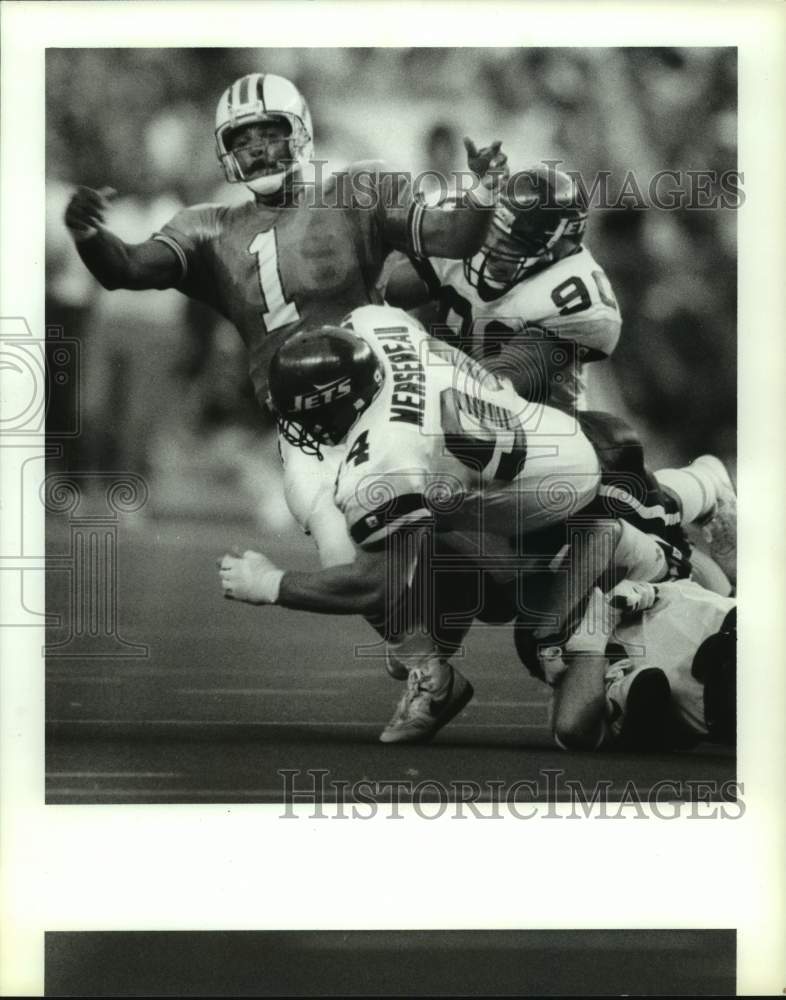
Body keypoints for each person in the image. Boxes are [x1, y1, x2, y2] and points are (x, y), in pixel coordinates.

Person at [218, 304, 734, 743]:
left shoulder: (387, 457)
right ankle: (432, 672)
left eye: (305, 415)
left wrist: (272, 585)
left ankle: (703, 488)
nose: (295, 430)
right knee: (519, 600)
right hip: (516, 481)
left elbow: (375, 585)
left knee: (533, 620)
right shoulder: (374, 325)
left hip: (570, 494)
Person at [63, 71, 507, 559]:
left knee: (439, 525)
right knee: (350, 562)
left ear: (300, 132)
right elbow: (125, 268)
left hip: (384, 392)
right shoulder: (209, 227)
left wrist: (483, 193)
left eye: (269, 134)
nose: (256, 149)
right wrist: (89, 234)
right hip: (303, 424)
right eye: (242, 139)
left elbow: (451, 238)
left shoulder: (355, 190)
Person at [383, 164, 621, 414]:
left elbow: (493, 392)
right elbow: (376, 299)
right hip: (436, 392)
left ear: (556, 250)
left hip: (525, 431)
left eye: (512, 243)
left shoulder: (572, 293)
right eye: (493, 231)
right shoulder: (470, 234)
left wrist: (411, 346)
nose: (493, 247)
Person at [543, 579, 736, 752]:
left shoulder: (649, 594)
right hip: (718, 687)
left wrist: (602, 618)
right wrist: (598, 623)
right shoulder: (582, 670)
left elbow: (571, 727)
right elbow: (571, 728)